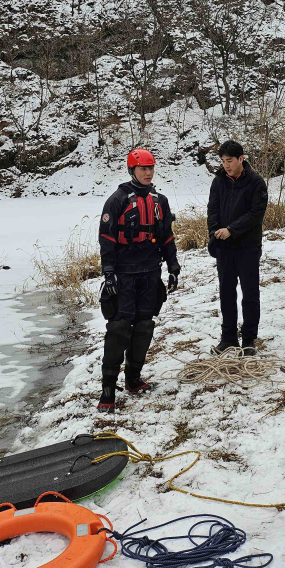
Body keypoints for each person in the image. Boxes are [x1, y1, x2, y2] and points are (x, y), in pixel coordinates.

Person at [97, 147, 180, 411]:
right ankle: (108, 390)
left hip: (150, 272)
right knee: (119, 328)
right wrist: (109, 273)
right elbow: (106, 238)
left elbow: (167, 236)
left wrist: (173, 266)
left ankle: (133, 378)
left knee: (144, 326)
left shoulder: (159, 201)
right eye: (143, 168)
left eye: (151, 168)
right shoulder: (117, 200)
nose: (148, 172)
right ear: (132, 170)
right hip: (124, 274)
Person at [207, 140, 268, 356]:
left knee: (250, 293)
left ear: (241, 159)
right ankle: (228, 337)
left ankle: (249, 339)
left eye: (230, 161)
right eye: (223, 161)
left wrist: (232, 230)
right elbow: (212, 209)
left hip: (248, 247)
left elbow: (256, 214)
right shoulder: (218, 181)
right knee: (226, 293)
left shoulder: (256, 182)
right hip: (224, 248)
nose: (226, 165)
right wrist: (214, 233)